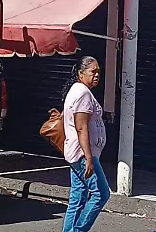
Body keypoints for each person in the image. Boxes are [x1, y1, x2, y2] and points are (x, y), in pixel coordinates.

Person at [61, 56, 108, 232]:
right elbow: (81, 127)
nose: (96, 75)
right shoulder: (82, 93)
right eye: (92, 72)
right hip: (83, 154)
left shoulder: (79, 91)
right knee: (101, 194)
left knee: (78, 196)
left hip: (77, 152)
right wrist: (88, 157)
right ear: (81, 74)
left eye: (98, 72)